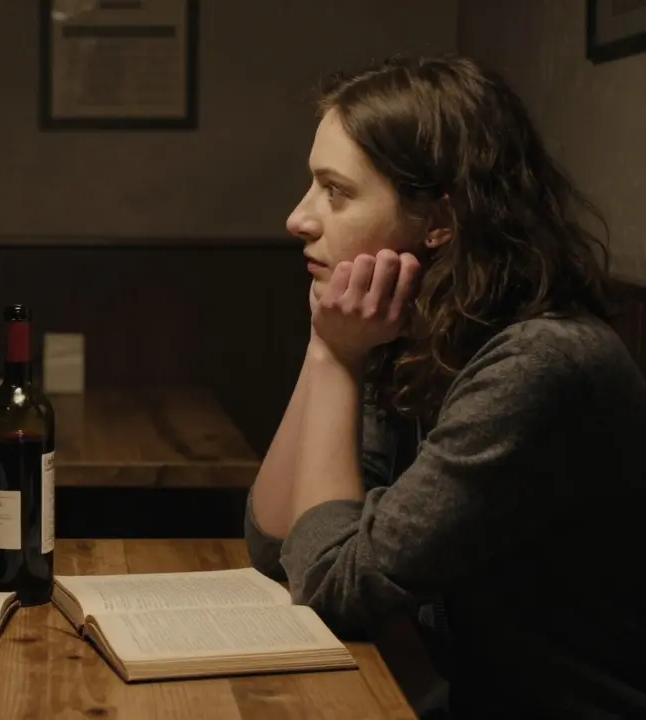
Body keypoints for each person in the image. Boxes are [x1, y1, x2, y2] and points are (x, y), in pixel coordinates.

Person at [245, 54, 646, 719]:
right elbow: (278, 543)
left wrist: (340, 360)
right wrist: (326, 351)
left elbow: (333, 586)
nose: (298, 218)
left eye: (334, 191)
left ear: (441, 220)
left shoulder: (539, 363)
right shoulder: (417, 334)